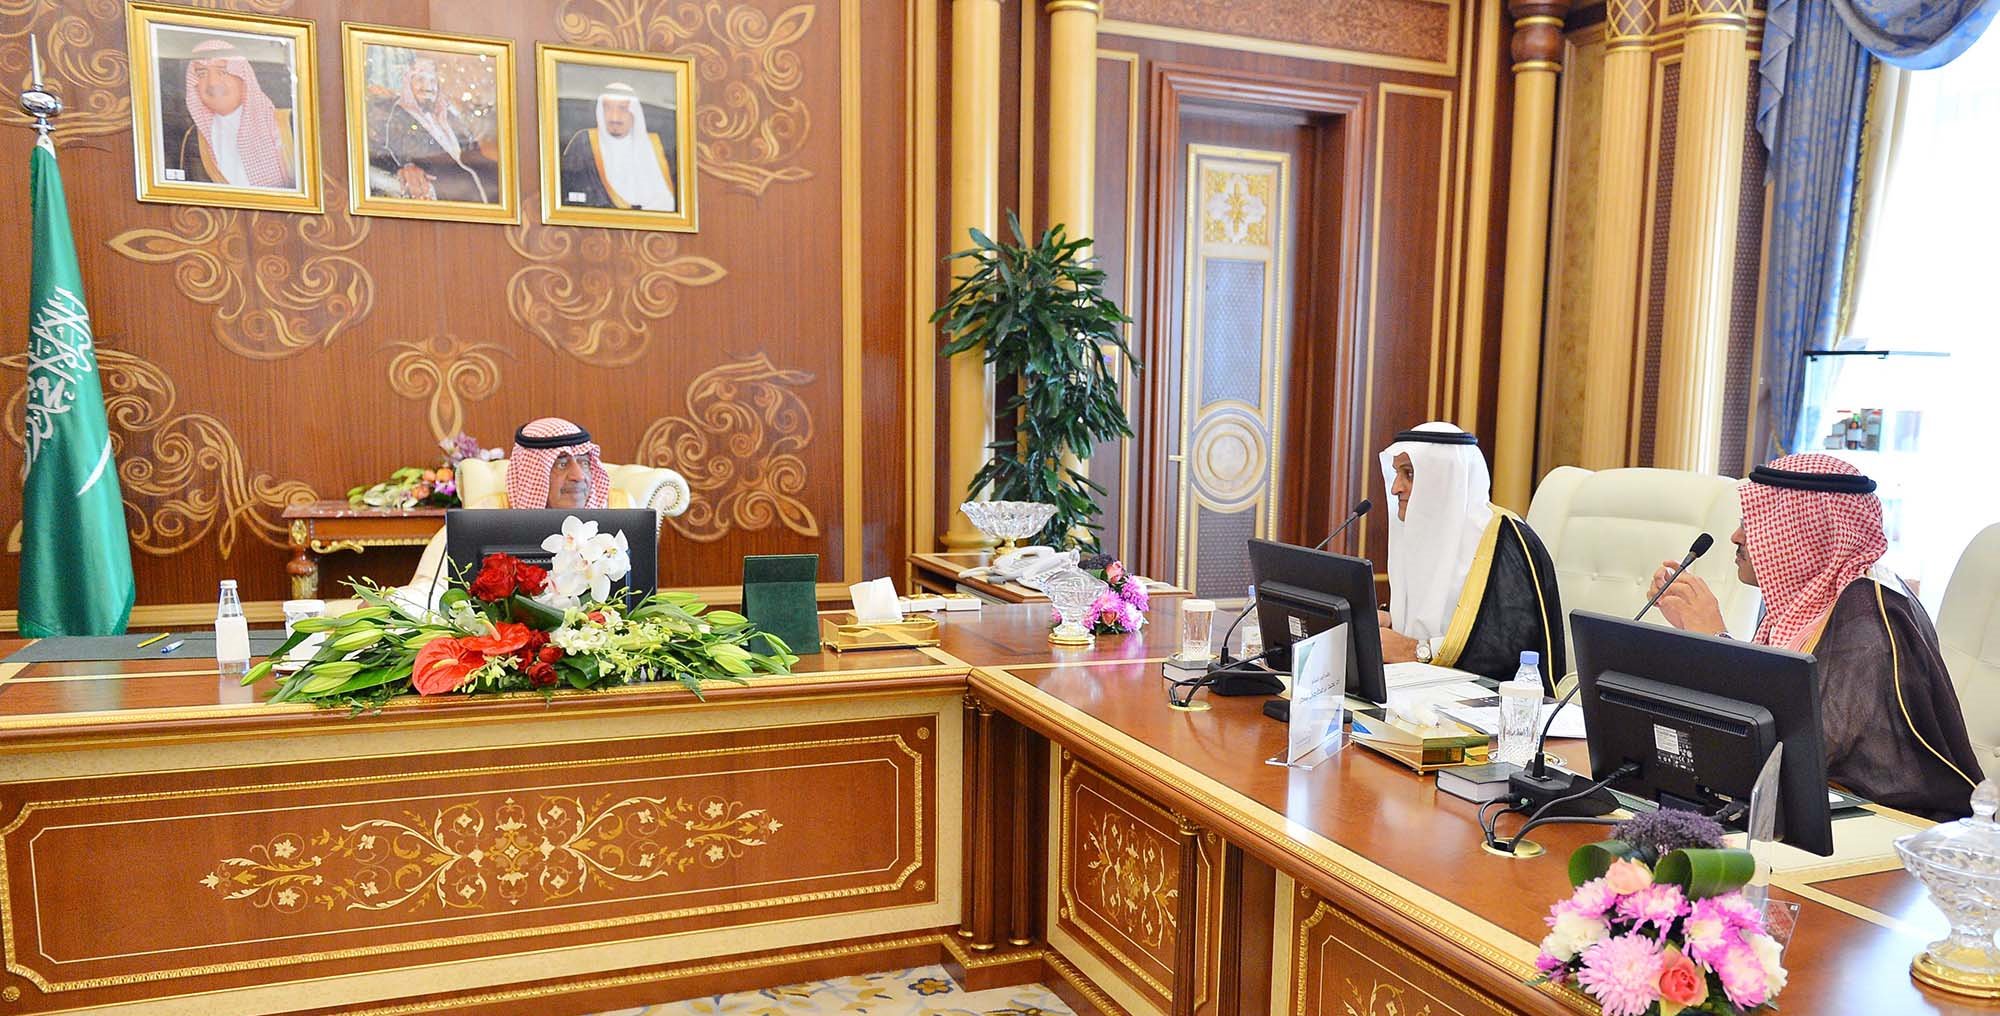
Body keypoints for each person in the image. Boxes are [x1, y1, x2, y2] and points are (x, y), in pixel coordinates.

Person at [1647, 453, 1982, 820]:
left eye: (1753, 523)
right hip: (1818, 812)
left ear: (1805, 532)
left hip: (1887, 825)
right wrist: (1696, 637)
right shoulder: (1806, 605)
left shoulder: (1866, 617)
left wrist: (1715, 640)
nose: (1737, 537)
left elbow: (1804, 750)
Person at [1376, 423, 1566, 687]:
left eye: (1409, 474)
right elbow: (1441, 617)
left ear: (1445, 480)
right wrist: (1391, 620)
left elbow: (1507, 648)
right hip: (1415, 687)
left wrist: (1414, 650)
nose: (1396, 488)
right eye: (1397, 473)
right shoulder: (1424, 533)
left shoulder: (1505, 540)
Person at [369, 56, 494, 203]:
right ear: (408, 83)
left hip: (479, 189)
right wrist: (406, 167)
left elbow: (472, 148)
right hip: (446, 196)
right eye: (420, 79)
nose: (428, 87)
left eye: (432, 81)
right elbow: (383, 152)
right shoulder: (397, 115)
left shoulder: (448, 115)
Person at [175, 39, 295, 189]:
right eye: (202, 74)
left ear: (243, 78)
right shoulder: (194, 138)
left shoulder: (289, 124)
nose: (212, 83)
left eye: (222, 71)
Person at [558, 82, 678, 211]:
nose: (614, 117)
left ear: (634, 112)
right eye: (607, 108)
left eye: (623, 108)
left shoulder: (659, 146)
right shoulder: (583, 143)